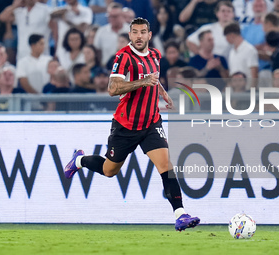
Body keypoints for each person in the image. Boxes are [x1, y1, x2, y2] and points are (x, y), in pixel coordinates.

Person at [64, 17, 200, 231]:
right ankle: (79, 160)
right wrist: (142, 82)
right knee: (110, 171)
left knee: (165, 165)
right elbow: (112, 88)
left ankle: (181, 214)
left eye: (142, 32)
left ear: (149, 35)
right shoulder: (123, 57)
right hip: (125, 125)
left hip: (151, 122)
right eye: (134, 32)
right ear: (130, 35)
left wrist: (163, 93)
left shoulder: (155, 55)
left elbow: (154, 78)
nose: (138, 36)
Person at [224, 22, 259, 86]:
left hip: (247, 91)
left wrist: (252, 91)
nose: (226, 40)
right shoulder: (231, 52)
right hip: (235, 91)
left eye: (226, 37)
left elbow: (254, 74)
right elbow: (231, 73)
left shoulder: (250, 50)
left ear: (232, 35)